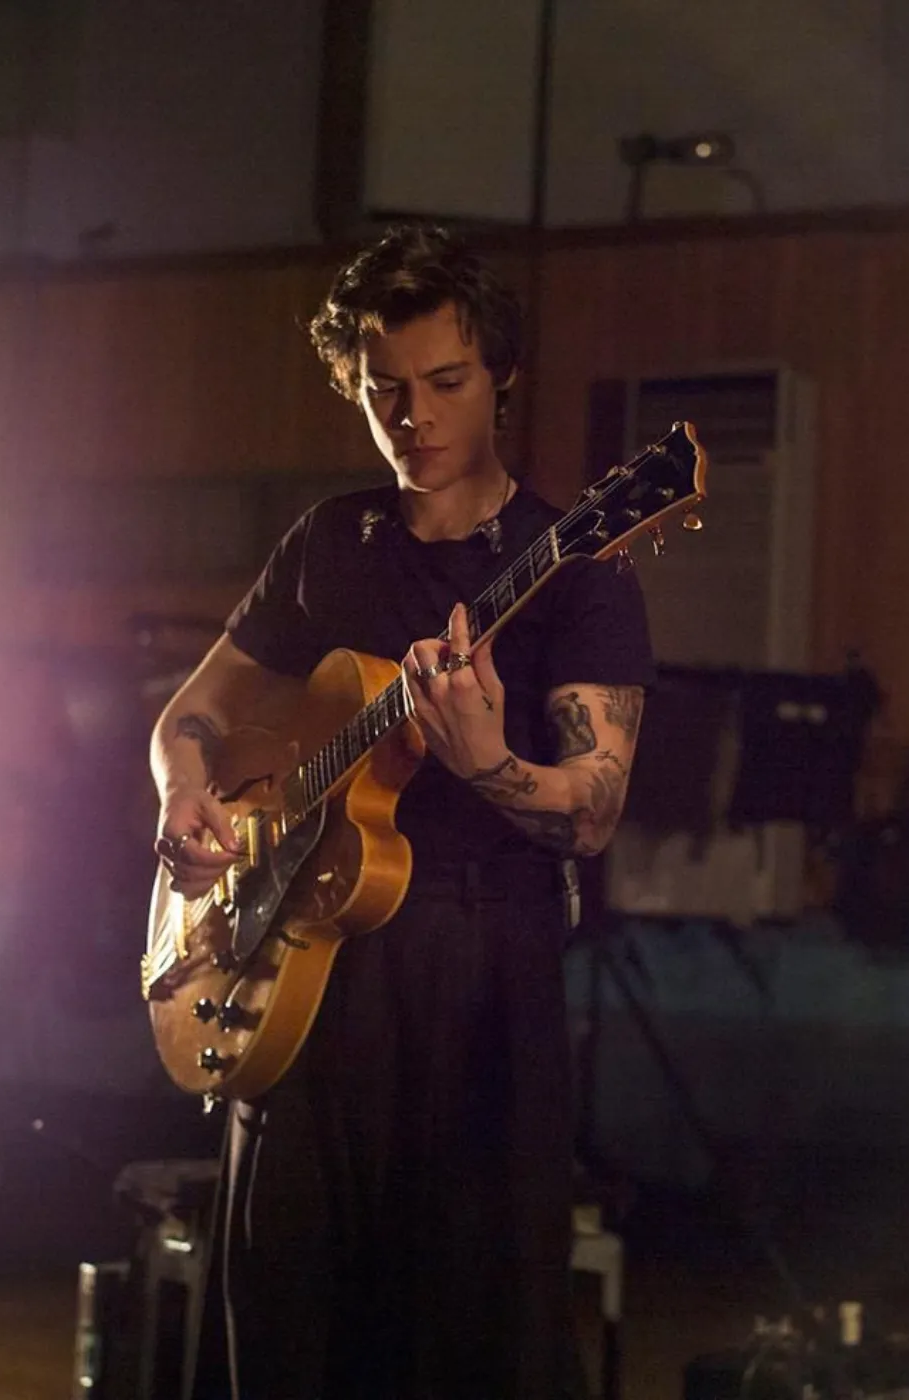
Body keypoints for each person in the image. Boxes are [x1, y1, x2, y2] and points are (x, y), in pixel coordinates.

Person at [149, 224, 656, 1399]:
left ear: (501, 379)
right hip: (299, 982)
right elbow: (192, 713)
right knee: (284, 1336)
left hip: (474, 991)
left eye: (445, 382)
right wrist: (182, 790)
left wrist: (487, 762)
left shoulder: (577, 565)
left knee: (463, 1346)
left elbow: (592, 809)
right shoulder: (331, 541)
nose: (412, 415)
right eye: (384, 387)